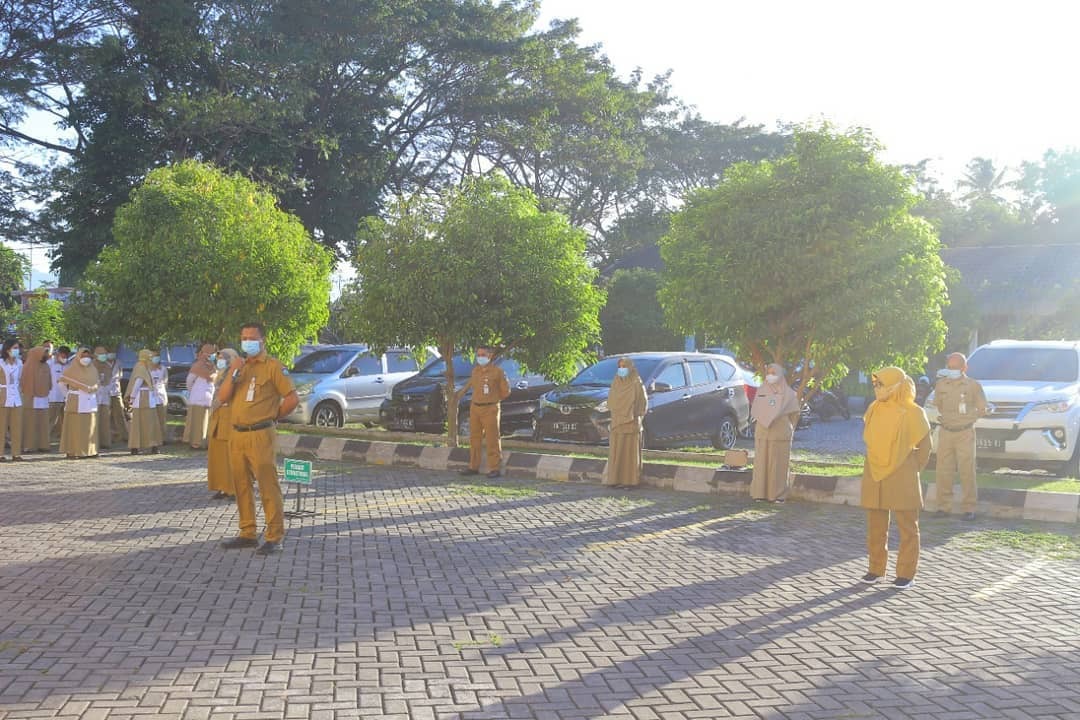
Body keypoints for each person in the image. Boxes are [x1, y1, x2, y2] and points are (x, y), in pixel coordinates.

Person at [217, 323, 297, 555]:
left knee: (267, 486)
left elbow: (292, 399)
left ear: (263, 340)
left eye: (252, 338)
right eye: (244, 337)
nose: (247, 342)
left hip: (260, 434)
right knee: (241, 485)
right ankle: (247, 533)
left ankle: (274, 536)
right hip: (237, 434)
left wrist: (273, 417)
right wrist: (233, 372)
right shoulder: (239, 368)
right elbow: (222, 397)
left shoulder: (273, 367)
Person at [861, 367, 932, 590]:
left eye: (880, 384)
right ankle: (876, 569)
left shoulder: (913, 412)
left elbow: (925, 448)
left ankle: (906, 573)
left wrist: (911, 469)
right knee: (875, 525)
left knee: (908, 526)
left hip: (902, 471)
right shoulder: (873, 408)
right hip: (874, 470)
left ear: (895, 386)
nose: (876, 389)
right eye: (875, 384)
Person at [932, 352, 988, 521]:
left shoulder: (973, 386)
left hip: (965, 432)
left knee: (967, 471)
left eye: (956, 367)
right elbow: (938, 406)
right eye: (950, 367)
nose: (953, 370)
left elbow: (982, 409)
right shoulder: (941, 385)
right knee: (943, 471)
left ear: (965, 368)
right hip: (946, 431)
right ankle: (943, 507)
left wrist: (968, 420)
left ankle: (969, 508)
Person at [750, 363, 801, 502]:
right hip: (763, 434)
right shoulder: (761, 390)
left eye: (774, 373)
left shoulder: (789, 394)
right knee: (761, 464)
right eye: (769, 372)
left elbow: (794, 415)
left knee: (778, 465)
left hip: (780, 435)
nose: (770, 376)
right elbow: (755, 409)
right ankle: (759, 493)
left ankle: (778, 495)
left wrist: (787, 428)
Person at [457, 346, 510, 478]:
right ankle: (473, 467)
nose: (480, 357)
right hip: (475, 407)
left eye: (483, 354)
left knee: (492, 438)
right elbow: (474, 387)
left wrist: (493, 400)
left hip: (490, 408)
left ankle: (495, 468)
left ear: (490, 355)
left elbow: (506, 391)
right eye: (478, 354)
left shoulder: (498, 372)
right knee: (474, 438)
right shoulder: (475, 371)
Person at [603, 357, 648, 489]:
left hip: (631, 422)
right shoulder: (616, 381)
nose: (622, 369)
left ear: (631, 367)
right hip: (617, 422)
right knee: (617, 452)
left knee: (630, 453)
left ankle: (631, 482)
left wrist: (635, 416)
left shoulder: (636, 382)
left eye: (625, 366)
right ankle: (614, 480)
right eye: (620, 366)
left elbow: (642, 402)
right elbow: (611, 402)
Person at [206, 348, 238, 500]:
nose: (220, 360)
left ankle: (234, 488)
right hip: (218, 418)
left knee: (230, 456)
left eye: (224, 358)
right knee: (218, 456)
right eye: (219, 358)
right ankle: (222, 487)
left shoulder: (236, 375)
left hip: (230, 417)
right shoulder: (220, 375)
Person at [60, 347, 100, 460]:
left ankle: (90, 450)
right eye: (83, 356)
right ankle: (73, 450)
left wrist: (92, 389)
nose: (85, 358)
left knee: (90, 426)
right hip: (76, 401)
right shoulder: (71, 369)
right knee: (75, 427)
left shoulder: (93, 369)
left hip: (90, 401)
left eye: (88, 356)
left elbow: (97, 384)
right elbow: (61, 383)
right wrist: (67, 396)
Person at [125, 349, 162, 455]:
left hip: (145, 398)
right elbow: (137, 383)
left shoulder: (143, 367)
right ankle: (147, 445)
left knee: (143, 423)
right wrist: (132, 398)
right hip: (143, 398)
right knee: (147, 423)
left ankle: (140, 446)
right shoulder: (141, 368)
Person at [183, 343, 217, 449]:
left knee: (205, 421)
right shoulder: (197, 365)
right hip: (197, 398)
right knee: (197, 422)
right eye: (209, 353)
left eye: (213, 353)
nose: (211, 355)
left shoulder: (213, 367)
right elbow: (189, 380)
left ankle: (204, 442)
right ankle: (195, 444)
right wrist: (192, 391)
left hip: (208, 398)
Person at [20, 344, 52, 454]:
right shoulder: (27, 366)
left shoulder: (46, 366)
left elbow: (49, 381)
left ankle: (43, 445)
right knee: (30, 422)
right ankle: (29, 445)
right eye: (44, 354)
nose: (46, 356)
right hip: (31, 398)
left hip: (44, 397)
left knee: (43, 422)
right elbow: (23, 383)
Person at [1, 338, 24, 462]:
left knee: (16, 427)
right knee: (2, 427)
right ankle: (0, 454)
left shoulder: (20, 363)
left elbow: (20, 379)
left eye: (17, 348)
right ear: (7, 349)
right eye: (14, 348)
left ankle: (16, 453)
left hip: (16, 398)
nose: (17, 350)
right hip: (3, 397)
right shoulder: (0, 363)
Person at [47, 345, 71, 441]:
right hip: (53, 397)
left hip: (66, 397)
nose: (64, 358)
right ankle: (45, 440)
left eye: (66, 356)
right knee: (50, 420)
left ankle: (64, 440)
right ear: (58, 354)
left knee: (65, 421)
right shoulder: (49, 364)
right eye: (63, 356)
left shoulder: (69, 366)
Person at [105, 349, 128, 446]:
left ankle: (125, 436)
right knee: (105, 415)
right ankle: (107, 437)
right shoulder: (102, 363)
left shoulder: (118, 363)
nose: (112, 354)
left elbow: (120, 376)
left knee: (120, 414)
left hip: (116, 392)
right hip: (105, 392)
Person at [92, 346, 114, 450]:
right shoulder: (91, 366)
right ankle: (94, 441)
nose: (104, 356)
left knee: (105, 419)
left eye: (105, 354)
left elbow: (112, 380)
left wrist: (106, 387)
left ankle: (105, 441)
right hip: (94, 395)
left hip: (105, 395)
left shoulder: (108, 366)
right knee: (94, 419)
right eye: (101, 354)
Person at [149, 352, 169, 443]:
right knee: (151, 419)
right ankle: (152, 439)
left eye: (157, 356)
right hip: (150, 396)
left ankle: (162, 438)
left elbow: (165, 381)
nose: (156, 358)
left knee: (162, 418)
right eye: (154, 356)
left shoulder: (163, 368)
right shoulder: (146, 369)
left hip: (161, 396)